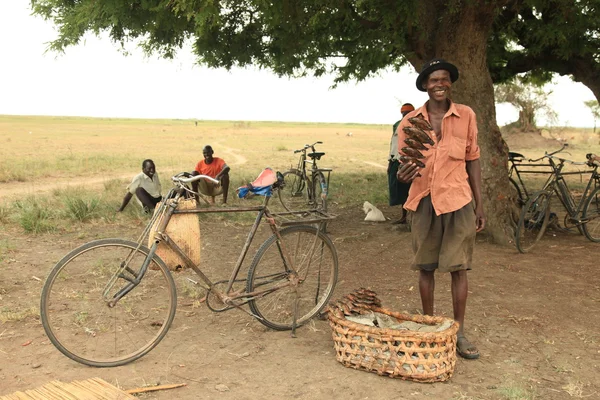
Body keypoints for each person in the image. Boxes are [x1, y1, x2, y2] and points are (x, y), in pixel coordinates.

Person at [396, 58, 486, 360]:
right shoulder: (410, 123)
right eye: (434, 80)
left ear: (450, 83)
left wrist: (479, 205)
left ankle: (459, 332)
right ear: (425, 85)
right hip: (423, 201)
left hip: (459, 199)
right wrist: (401, 176)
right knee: (426, 267)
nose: (440, 84)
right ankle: (430, 327)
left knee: (459, 268)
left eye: (444, 79)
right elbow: (404, 165)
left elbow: (472, 160)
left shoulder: (466, 116)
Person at [389, 103, 415, 224]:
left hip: (408, 160)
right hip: (395, 160)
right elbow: (393, 144)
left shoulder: (415, 125)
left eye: (408, 113)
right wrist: (390, 161)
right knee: (399, 190)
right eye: (404, 113)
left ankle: (410, 216)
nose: (406, 115)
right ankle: (404, 216)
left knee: (409, 190)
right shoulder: (396, 125)